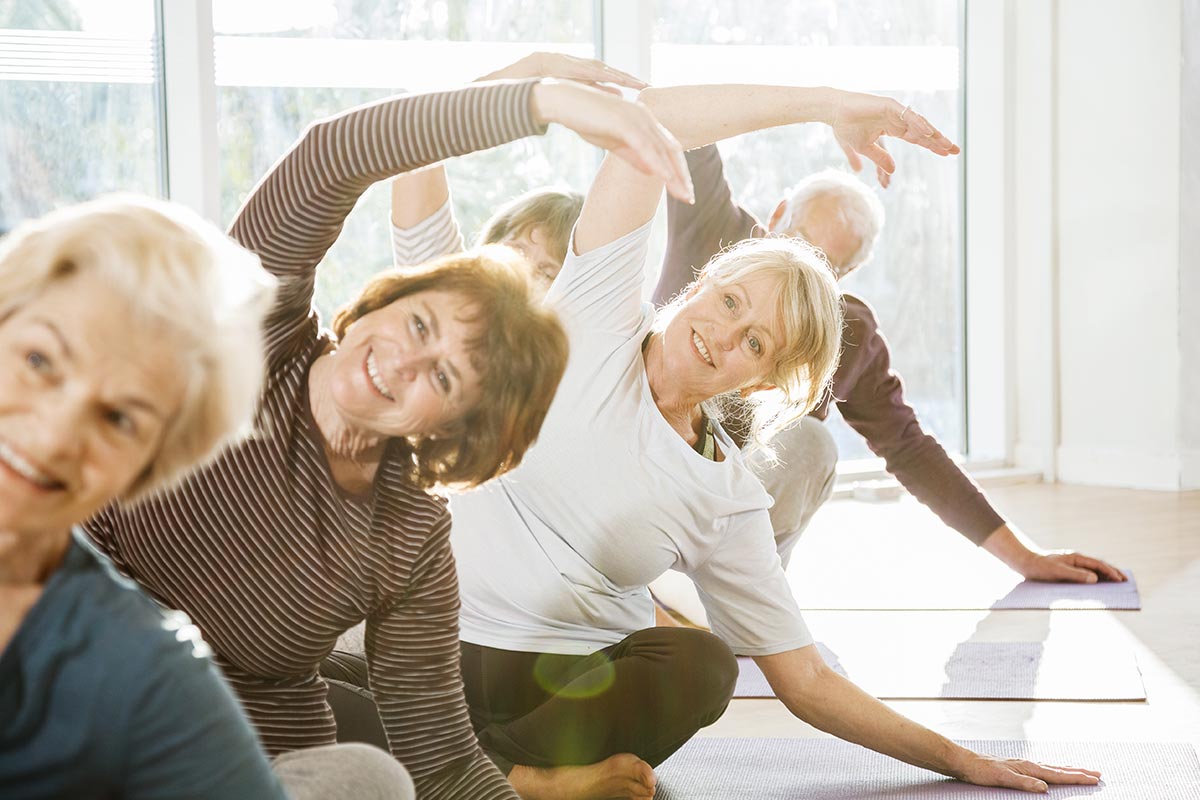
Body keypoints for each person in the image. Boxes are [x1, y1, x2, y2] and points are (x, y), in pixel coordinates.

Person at [442, 82, 1105, 800]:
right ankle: (502, 778)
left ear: (762, 381)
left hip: (558, 683)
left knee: (703, 667)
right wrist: (825, 106)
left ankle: (482, 773)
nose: (722, 336)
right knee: (315, 684)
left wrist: (963, 759)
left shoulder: (728, 495)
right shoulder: (600, 307)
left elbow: (809, 681)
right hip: (437, 647)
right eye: (729, 302)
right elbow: (655, 119)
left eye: (754, 341)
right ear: (703, 280)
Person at [80, 79, 691, 800]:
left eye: (443, 379)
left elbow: (444, 764)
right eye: (421, 326)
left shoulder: (409, 536)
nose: (403, 362)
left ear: (449, 430)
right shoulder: (255, 337)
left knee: (373, 778)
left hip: (222, 752)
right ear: (389, 297)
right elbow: (330, 156)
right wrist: (546, 101)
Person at [0, 194, 412, 799]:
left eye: (120, 419)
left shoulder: (147, 671)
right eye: (40, 360)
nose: (55, 434)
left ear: (147, 471)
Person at [648, 148, 1124, 625]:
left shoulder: (844, 331)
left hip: (719, 538)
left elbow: (910, 448)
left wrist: (1026, 557)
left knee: (811, 444)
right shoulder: (713, 224)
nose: (798, 277)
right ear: (775, 215)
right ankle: (647, 584)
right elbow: (686, 129)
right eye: (795, 241)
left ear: (844, 277)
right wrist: (824, 105)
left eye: (822, 269)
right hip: (639, 482)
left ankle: (725, 604)